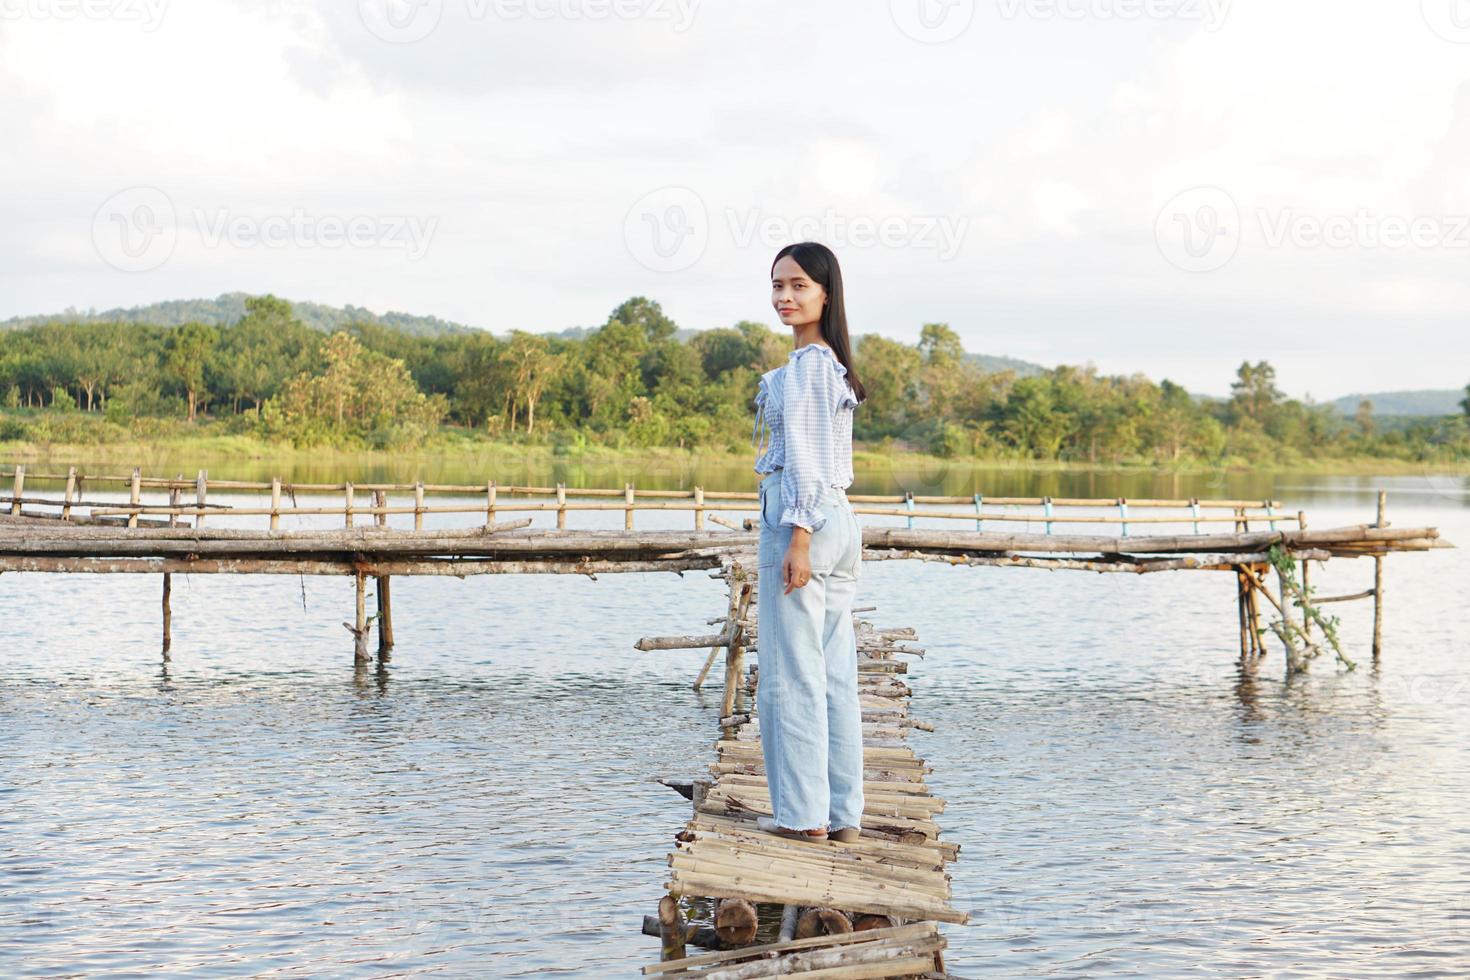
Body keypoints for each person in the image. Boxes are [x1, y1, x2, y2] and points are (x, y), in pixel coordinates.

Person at [749, 242, 868, 844]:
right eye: (777, 286)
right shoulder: (832, 366)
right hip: (839, 522)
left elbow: (807, 460)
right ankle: (844, 815)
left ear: (825, 293)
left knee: (792, 674)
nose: (784, 297)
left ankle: (803, 818)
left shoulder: (807, 369)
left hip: (805, 520)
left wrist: (797, 536)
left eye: (798, 286)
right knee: (832, 674)